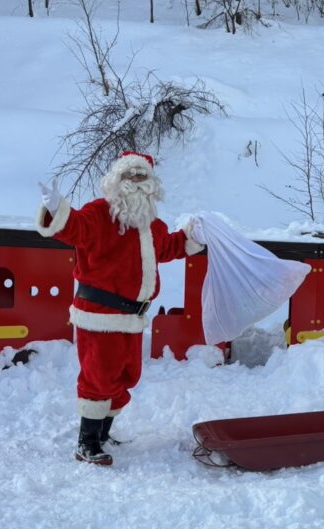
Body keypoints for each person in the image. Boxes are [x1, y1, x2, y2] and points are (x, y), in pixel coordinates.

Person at [36, 151, 204, 466]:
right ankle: (86, 443)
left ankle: (102, 433)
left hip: (132, 317)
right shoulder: (99, 214)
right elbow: (74, 229)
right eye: (130, 176)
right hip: (99, 315)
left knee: (127, 374)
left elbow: (166, 248)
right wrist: (57, 209)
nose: (136, 182)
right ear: (116, 180)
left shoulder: (151, 224)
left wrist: (191, 238)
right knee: (99, 376)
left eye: (142, 176)